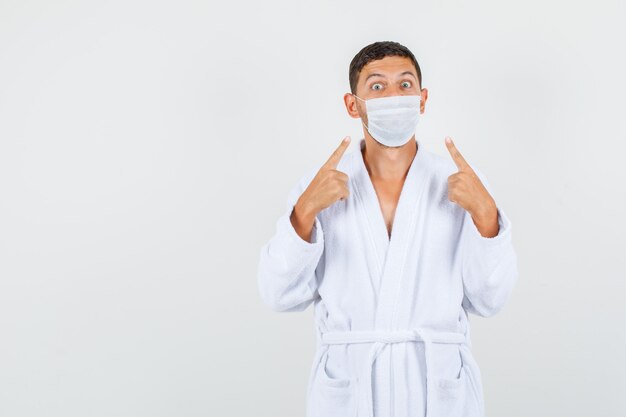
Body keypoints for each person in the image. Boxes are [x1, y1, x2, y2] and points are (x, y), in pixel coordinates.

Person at [256, 40, 518, 417]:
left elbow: (490, 300)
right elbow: (278, 294)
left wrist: (486, 216)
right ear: (353, 104)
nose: (394, 96)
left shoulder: (461, 183)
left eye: (405, 85)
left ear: (423, 99)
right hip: (351, 388)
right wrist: (304, 213)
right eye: (377, 87)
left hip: (437, 388)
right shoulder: (319, 186)